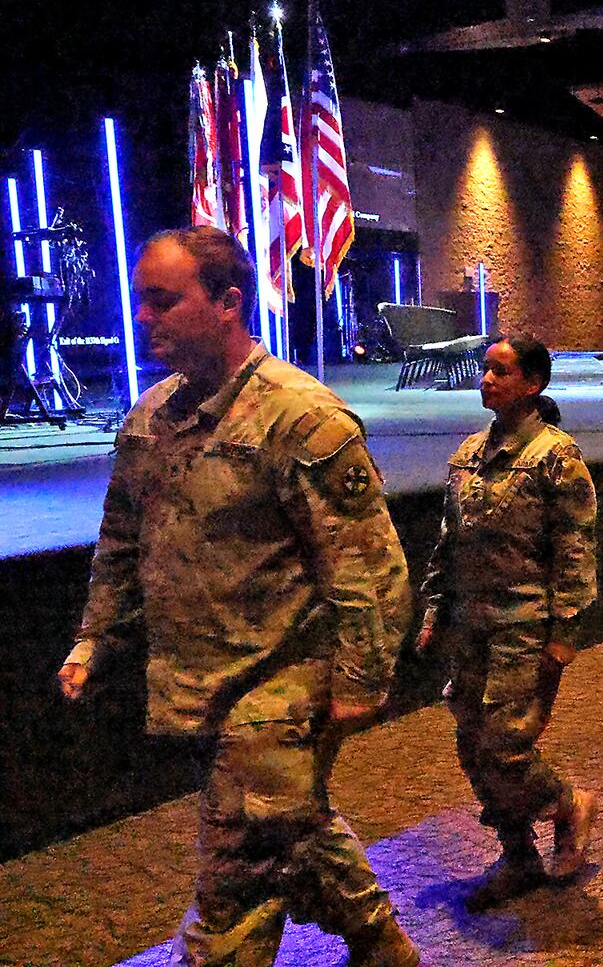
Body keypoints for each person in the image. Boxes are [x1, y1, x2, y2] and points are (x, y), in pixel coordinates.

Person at [56, 226, 419, 965]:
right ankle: (383, 946)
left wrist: (360, 682)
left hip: (279, 689)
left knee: (236, 886)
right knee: (295, 828)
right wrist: (94, 640)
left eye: (163, 301)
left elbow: (368, 568)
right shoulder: (148, 420)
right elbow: (122, 543)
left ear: (228, 302)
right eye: (142, 302)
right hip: (200, 683)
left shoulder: (300, 418)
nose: (145, 318)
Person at [418, 334, 598, 910]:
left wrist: (566, 632)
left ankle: (569, 804)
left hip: (525, 622)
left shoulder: (555, 456)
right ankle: (517, 853)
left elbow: (575, 548)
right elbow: (447, 542)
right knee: (472, 742)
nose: (487, 379)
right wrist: (433, 609)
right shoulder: (467, 453)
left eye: (501, 371)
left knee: (507, 744)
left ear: (533, 384)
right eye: (485, 370)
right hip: (472, 621)